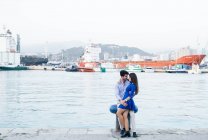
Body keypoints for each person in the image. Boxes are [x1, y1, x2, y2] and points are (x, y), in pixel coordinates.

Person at [114, 70, 138, 137]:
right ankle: (124, 129)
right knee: (121, 114)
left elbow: (132, 94)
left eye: (127, 76)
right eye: (126, 76)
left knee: (128, 115)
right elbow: (117, 94)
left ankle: (129, 131)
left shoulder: (129, 83)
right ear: (122, 76)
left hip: (127, 101)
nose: (127, 77)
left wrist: (125, 100)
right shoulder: (117, 84)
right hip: (120, 101)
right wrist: (121, 101)